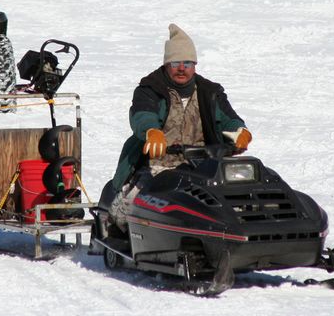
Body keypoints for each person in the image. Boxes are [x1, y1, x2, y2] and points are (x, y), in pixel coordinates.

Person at [108, 23, 252, 232]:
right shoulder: (151, 88)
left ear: (195, 65)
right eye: (175, 62)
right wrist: (151, 131)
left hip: (205, 167)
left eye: (187, 62)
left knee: (237, 197)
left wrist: (240, 131)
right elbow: (142, 114)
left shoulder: (209, 91)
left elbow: (229, 118)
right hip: (158, 166)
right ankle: (120, 234)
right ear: (167, 64)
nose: (182, 68)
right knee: (128, 213)